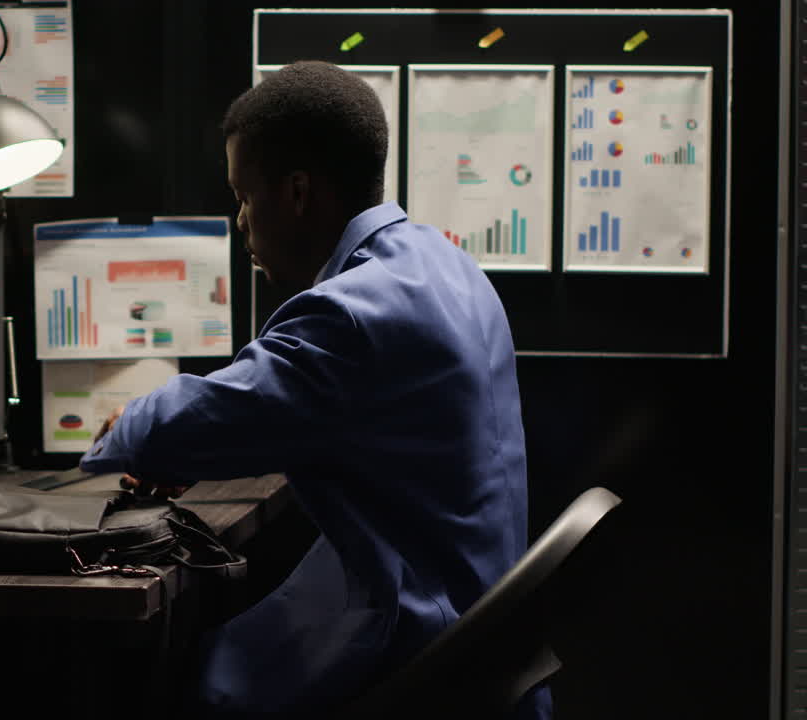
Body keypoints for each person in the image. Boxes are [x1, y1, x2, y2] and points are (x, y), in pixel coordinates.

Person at [79, 60, 549, 718]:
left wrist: (125, 434)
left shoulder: (353, 313)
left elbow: (187, 422)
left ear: (298, 192)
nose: (242, 220)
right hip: (476, 627)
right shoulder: (443, 262)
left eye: (244, 196)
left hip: (423, 649)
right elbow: (295, 409)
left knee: (165, 684)